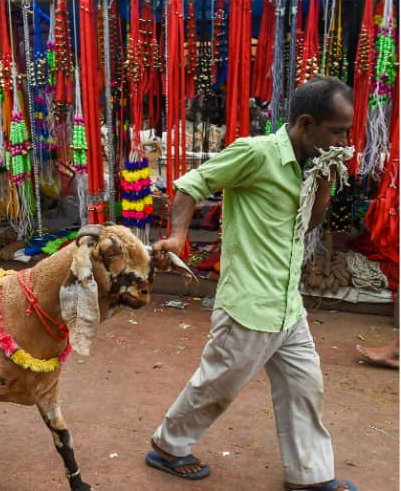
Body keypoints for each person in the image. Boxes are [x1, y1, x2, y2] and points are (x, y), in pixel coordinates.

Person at [147, 76, 357, 491]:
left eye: (346, 131)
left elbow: (307, 226)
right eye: (337, 130)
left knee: (304, 388)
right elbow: (192, 184)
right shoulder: (255, 153)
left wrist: (325, 183)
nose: (343, 140)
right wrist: (177, 235)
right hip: (248, 305)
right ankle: (168, 447)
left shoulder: (312, 164)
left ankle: (309, 477)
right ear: (306, 122)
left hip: (287, 306)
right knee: (217, 384)